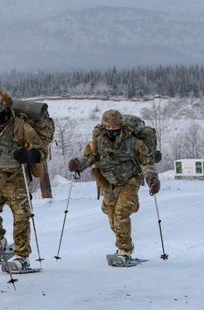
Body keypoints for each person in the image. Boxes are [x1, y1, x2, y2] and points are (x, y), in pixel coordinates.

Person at [68, 109, 159, 265]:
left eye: (115, 126)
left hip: (130, 180)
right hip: (109, 182)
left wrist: (152, 180)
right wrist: (77, 164)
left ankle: (125, 250)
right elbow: (89, 158)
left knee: (121, 213)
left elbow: (146, 162)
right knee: (111, 216)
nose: (112, 130)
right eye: (108, 127)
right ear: (104, 127)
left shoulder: (133, 142)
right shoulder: (98, 142)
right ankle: (122, 247)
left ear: (120, 125)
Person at [0, 90, 45, 273]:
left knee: (22, 216)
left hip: (16, 177)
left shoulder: (21, 127)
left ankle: (22, 256)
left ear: (7, 109)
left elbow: (42, 151)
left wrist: (30, 155)